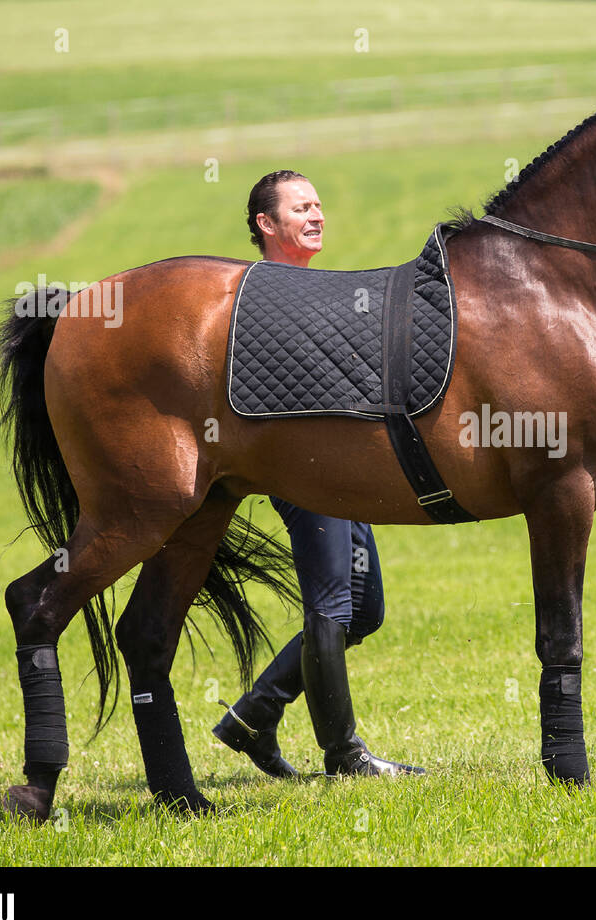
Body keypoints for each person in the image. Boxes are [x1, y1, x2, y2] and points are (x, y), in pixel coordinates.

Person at [212, 170, 423, 778]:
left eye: (319, 205)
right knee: (331, 605)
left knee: (365, 611)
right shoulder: (262, 294)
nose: (317, 214)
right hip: (303, 470)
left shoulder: (316, 288)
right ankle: (345, 755)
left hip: (347, 467)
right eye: (301, 207)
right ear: (266, 224)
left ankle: (252, 718)